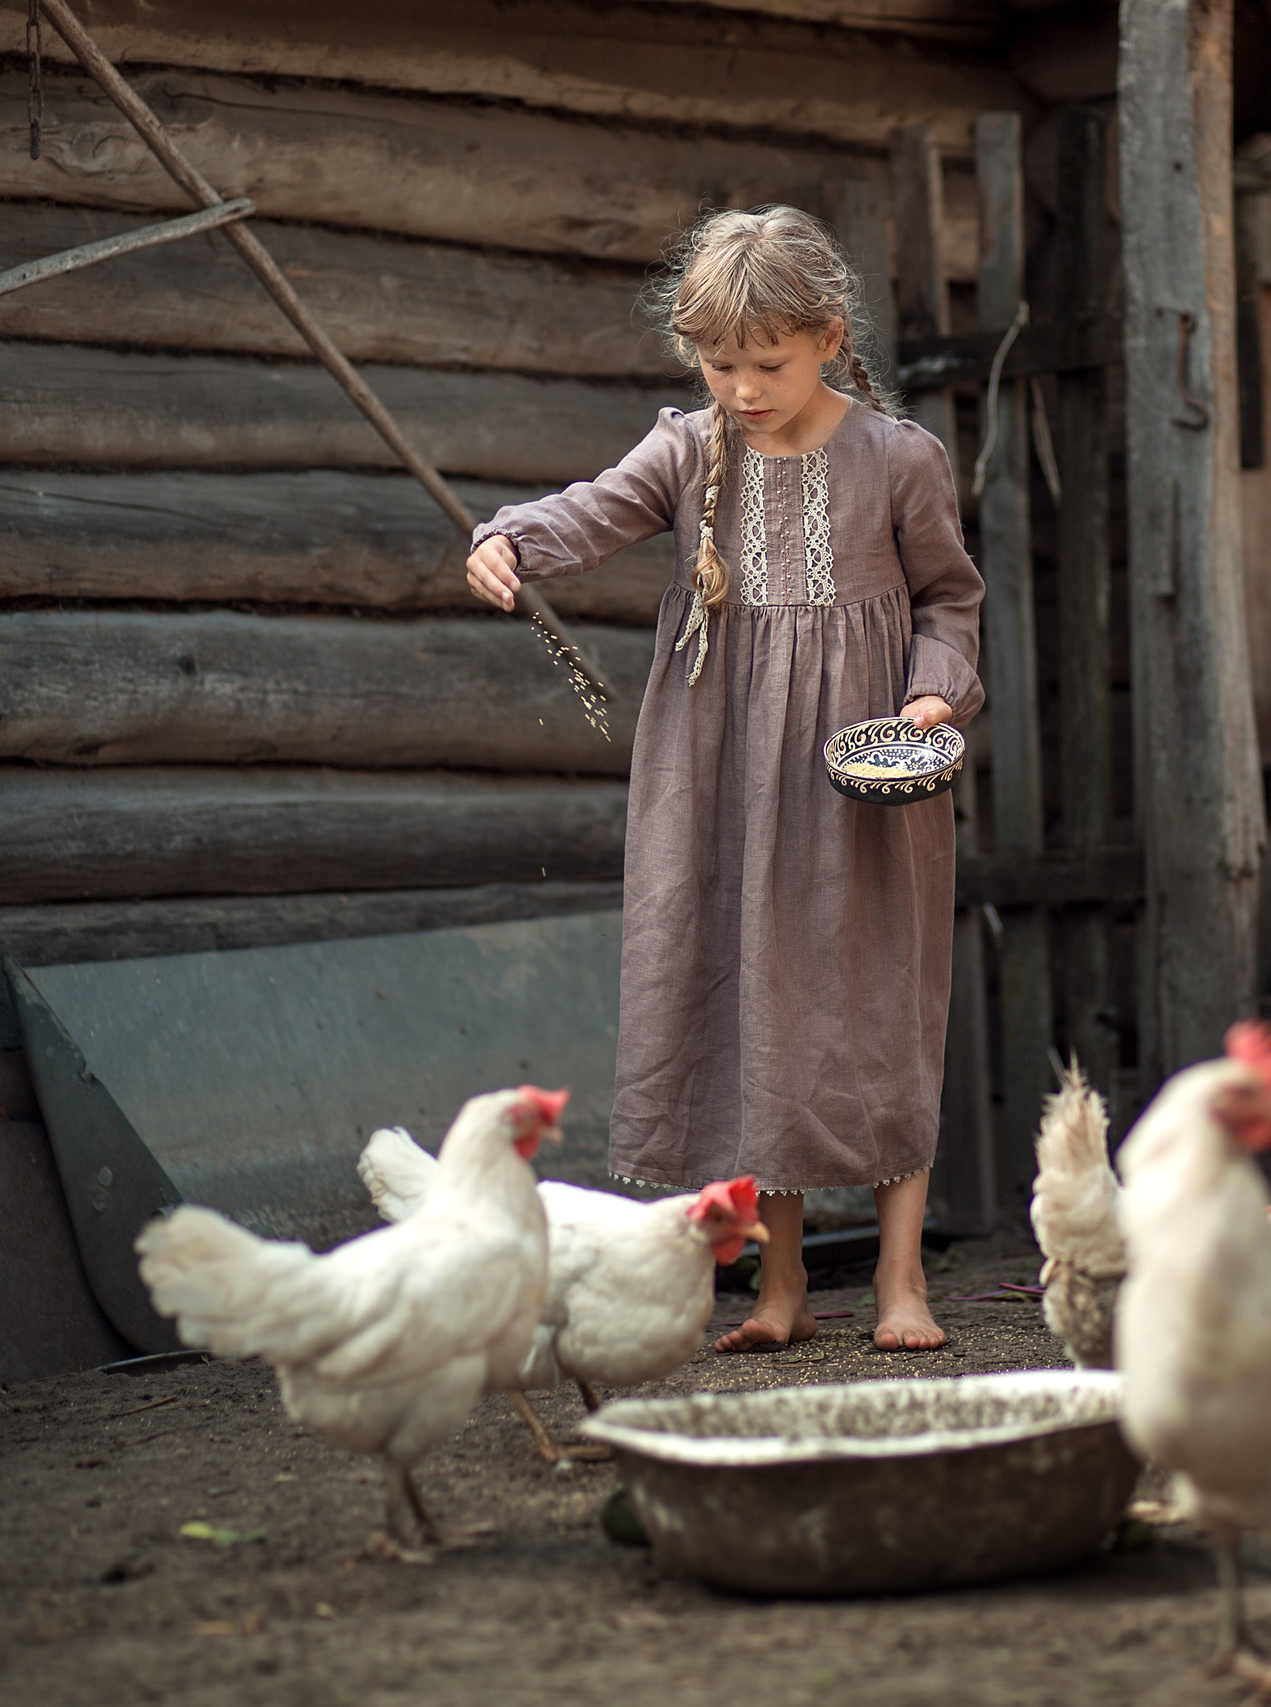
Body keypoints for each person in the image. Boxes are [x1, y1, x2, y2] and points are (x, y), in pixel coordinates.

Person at [464, 206, 983, 1354]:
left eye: (768, 363)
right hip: (725, 767)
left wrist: (930, 695)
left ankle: (901, 1280)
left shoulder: (898, 460)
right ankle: (781, 1286)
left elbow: (950, 596)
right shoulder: (690, 449)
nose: (742, 387)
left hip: (863, 779)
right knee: (760, 1001)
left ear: (831, 338)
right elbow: (590, 509)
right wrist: (512, 539)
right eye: (718, 363)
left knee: (884, 997)